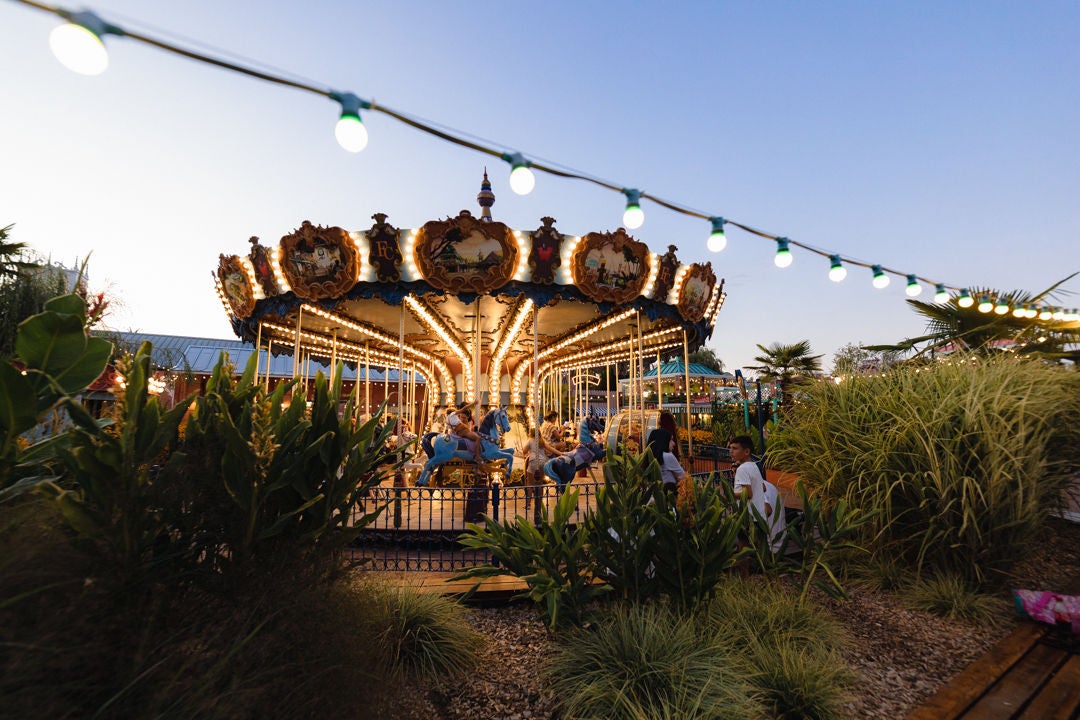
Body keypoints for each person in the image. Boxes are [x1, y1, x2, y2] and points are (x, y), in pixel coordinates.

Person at [729, 435, 785, 552]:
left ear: (746, 451)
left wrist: (731, 494)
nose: (731, 451)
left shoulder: (742, 469)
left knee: (741, 547)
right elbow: (762, 487)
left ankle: (743, 570)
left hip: (748, 518)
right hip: (758, 519)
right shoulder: (754, 466)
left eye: (735, 448)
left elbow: (748, 494)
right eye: (730, 448)